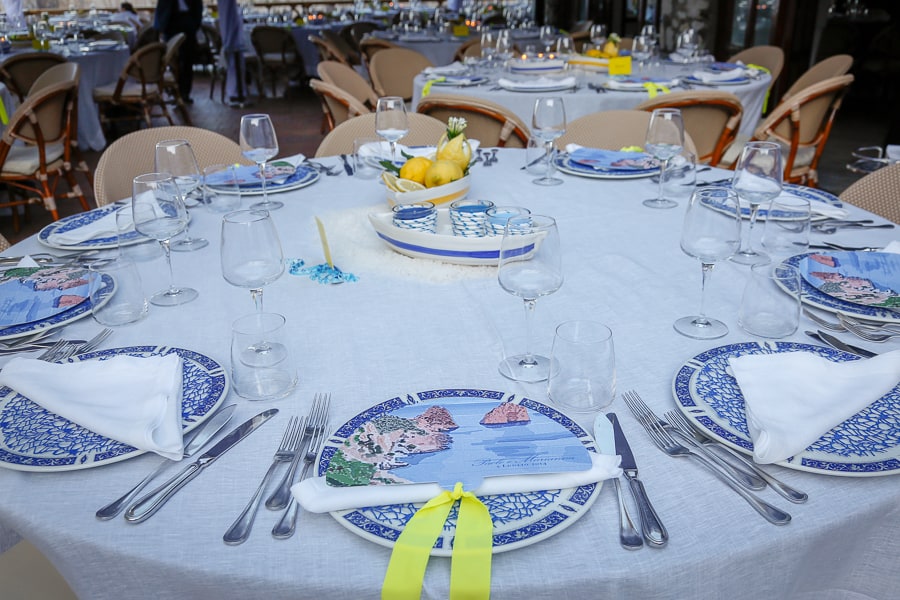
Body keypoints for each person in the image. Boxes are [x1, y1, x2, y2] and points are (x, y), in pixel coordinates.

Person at [154, 0, 202, 103]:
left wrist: (194, 24)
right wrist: (161, 27)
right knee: (171, 60)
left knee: (187, 60)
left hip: (188, 23)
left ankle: (185, 93)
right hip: (170, 23)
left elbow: (198, 6)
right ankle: (174, 91)